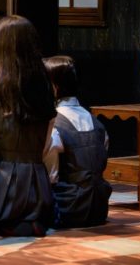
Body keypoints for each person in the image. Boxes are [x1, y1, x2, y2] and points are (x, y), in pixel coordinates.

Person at [0, 15, 57, 237]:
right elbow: (46, 147)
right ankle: (27, 221)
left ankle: (2, 221)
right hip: (38, 190)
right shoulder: (46, 87)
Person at [42, 55, 112, 228]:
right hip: (99, 208)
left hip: (68, 208)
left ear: (54, 87)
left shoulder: (54, 125)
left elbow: (51, 176)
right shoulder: (98, 124)